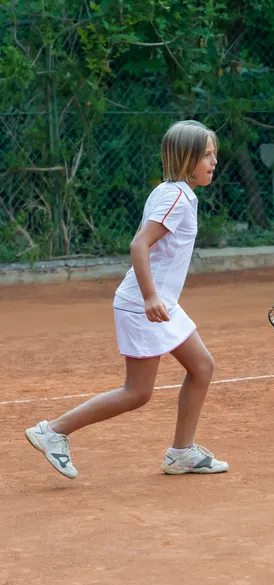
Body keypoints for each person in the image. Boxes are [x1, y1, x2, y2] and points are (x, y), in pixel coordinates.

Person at [25, 120, 229, 478]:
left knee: (202, 367)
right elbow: (139, 244)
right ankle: (53, 431)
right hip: (144, 305)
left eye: (214, 154)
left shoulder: (173, 192)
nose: (214, 162)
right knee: (137, 392)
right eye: (207, 155)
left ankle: (181, 452)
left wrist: (157, 298)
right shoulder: (176, 198)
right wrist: (150, 297)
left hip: (162, 304)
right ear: (187, 158)